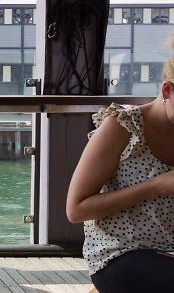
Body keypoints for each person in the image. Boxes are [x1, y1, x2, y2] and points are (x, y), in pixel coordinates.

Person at [66, 34, 174, 293]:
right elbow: (76, 209)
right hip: (121, 253)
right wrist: (155, 187)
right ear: (167, 90)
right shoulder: (121, 127)